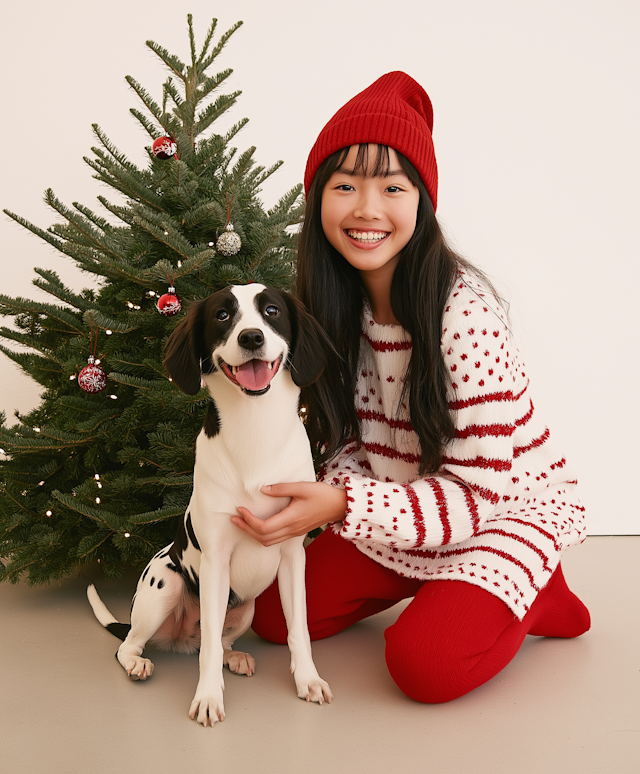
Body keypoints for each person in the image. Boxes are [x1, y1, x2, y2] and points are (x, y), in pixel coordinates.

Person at [231, 71, 590, 703]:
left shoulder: (463, 317)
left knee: (424, 667)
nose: (367, 210)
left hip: (498, 513)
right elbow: (345, 438)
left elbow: (477, 496)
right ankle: (438, 583)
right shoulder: (329, 309)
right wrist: (328, 491)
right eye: (344, 186)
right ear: (318, 200)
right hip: (407, 510)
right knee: (275, 619)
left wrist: (343, 506)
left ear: (421, 201)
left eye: (392, 187)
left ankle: (540, 594)